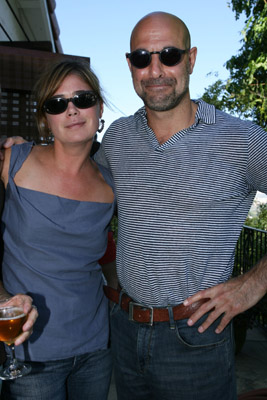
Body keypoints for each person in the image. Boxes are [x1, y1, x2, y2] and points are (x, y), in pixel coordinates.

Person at [92, 11, 267, 400]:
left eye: (169, 55)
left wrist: (253, 284)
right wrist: (28, 158)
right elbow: (81, 194)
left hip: (196, 341)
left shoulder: (241, 140)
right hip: (123, 330)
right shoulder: (118, 138)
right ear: (130, 65)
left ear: (191, 59)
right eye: (142, 57)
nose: (155, 69)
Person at [0, 59, 116, 399]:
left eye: (83, 98)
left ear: (98, 107)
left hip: (95, 348)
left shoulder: (111, 186)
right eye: (57, 103)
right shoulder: (13, 161)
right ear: (45, 118)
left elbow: (104, 248)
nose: (72, 110)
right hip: (30, 352)